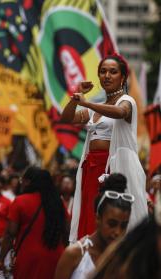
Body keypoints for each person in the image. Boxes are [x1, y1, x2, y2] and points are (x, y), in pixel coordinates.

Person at [61, 53, 147, 242]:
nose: (107, 75)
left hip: (113, 170)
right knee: (90, 216)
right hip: (90, 169)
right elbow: (66, 118)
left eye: (113, 72)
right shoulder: (95, 108)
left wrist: (86, 102)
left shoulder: (127, 101)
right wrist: (76, 96)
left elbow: (120, 112)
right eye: (103, 71)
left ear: (123, 77)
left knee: (111, 218)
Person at [54, 173, 134, 279]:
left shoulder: (124, 259)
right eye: (112, 224)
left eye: (123, 226)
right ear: (98, 219)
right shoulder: (74, 254)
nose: (117, 232)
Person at [0, 167, 67, 279]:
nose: (20, 183)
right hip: (56, 258)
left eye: (21, 180)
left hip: (28, 259)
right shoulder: (59, 203)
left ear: (28, 182)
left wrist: (1, 260)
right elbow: (66, 230)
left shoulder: (20, 201)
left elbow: (10, 234)